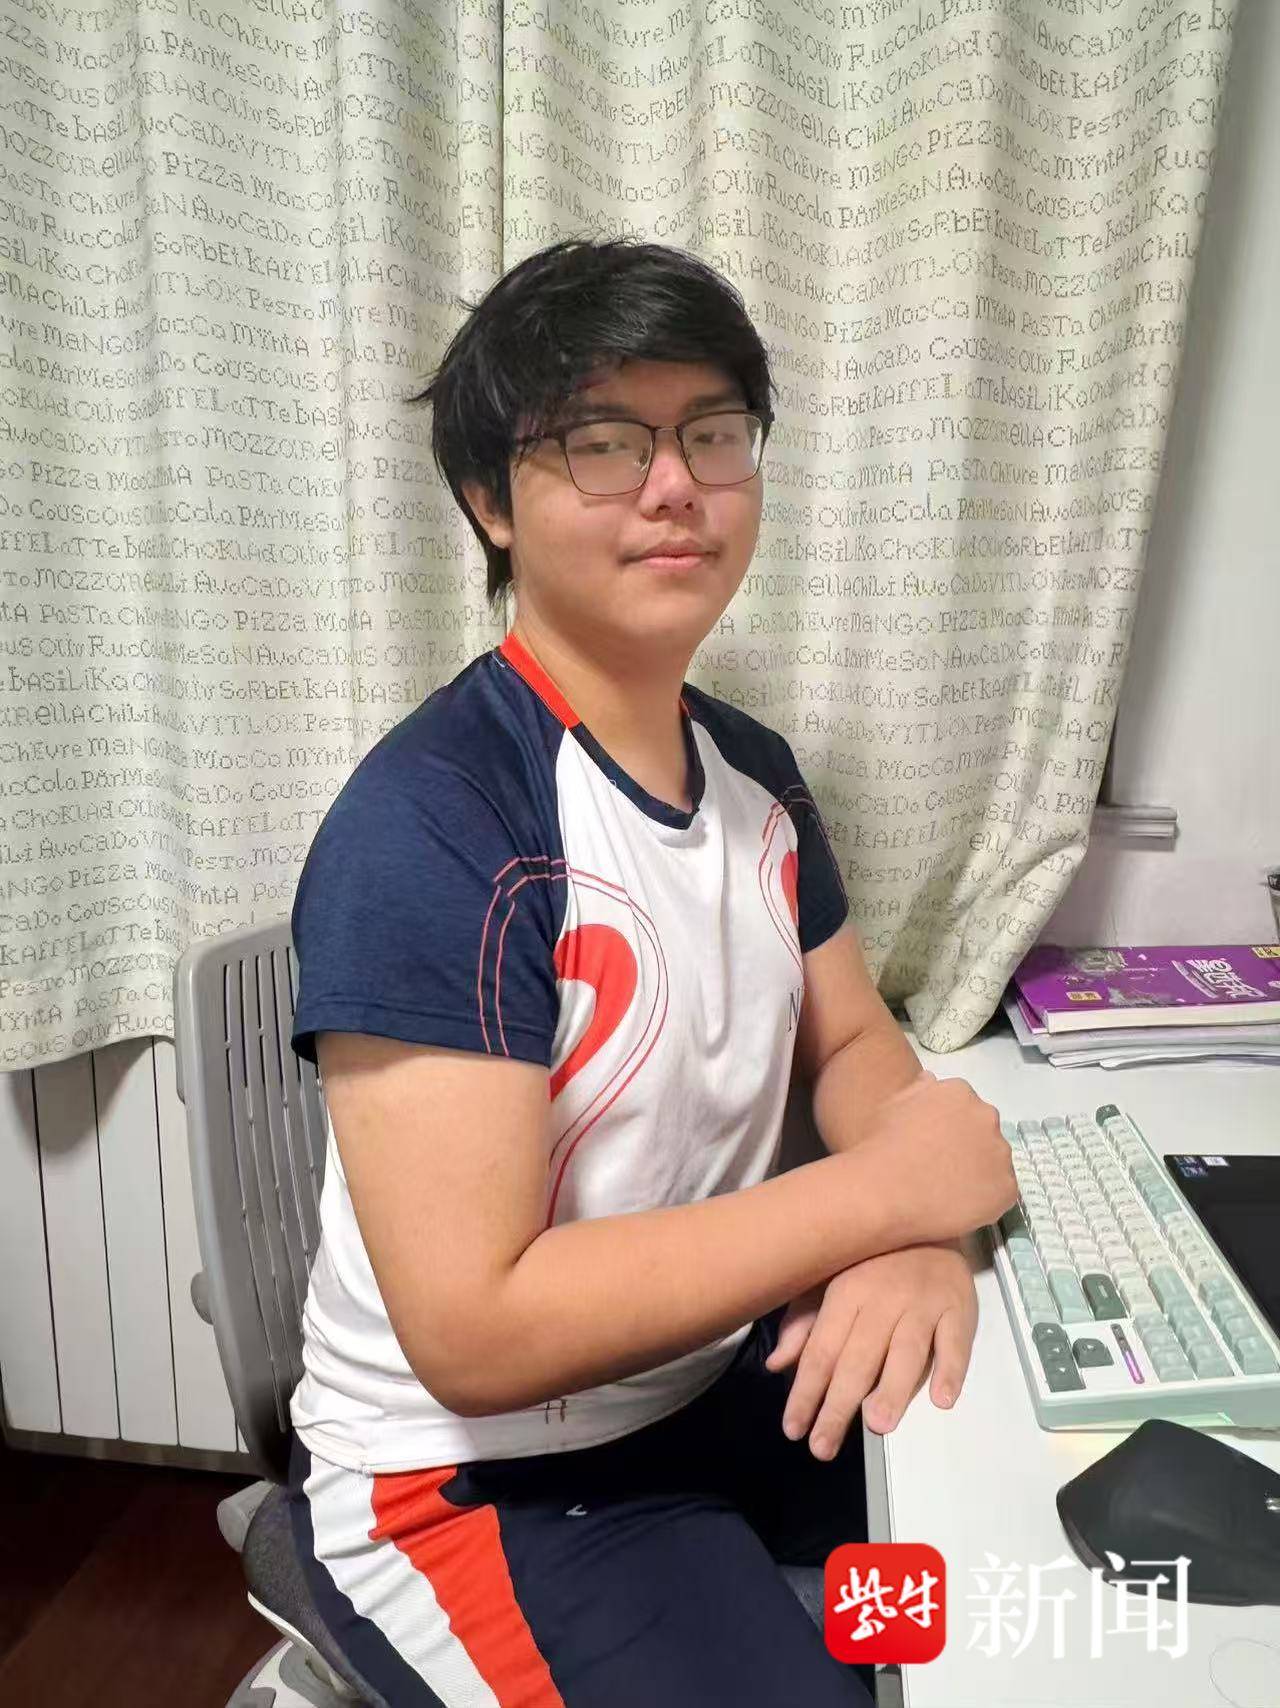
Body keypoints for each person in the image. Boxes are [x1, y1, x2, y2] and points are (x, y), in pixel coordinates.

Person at [284, 236, 1018, 1706]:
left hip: (702, 1387)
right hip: (473, 1483)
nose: (674, 484)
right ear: (490, 499)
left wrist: (914, 1237)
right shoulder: (439, 825)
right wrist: (892, 1195)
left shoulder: (756, 776)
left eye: (713, 433)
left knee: (1012, 1586)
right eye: (604, 442)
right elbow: (479, 1328)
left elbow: (854, 1045)